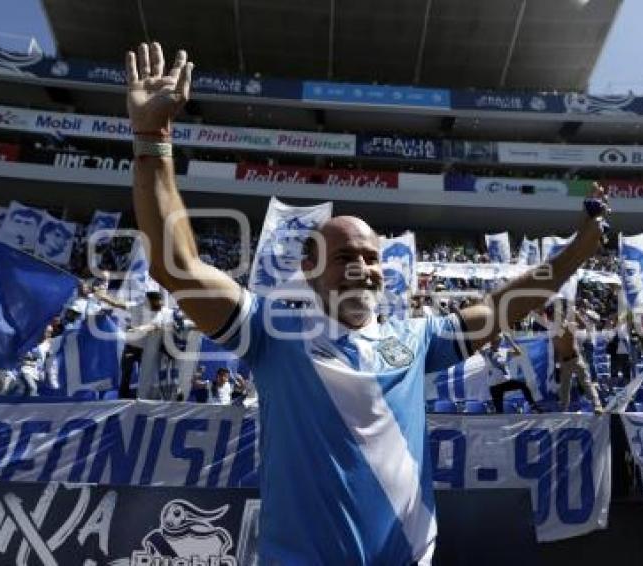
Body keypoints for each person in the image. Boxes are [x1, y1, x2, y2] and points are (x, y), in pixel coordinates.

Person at [125, 41, 609, 564]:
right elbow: (176, 267)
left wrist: (574, 254)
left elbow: (505, 305)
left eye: (371, 256)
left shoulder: (418, 339)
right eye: (345, 256)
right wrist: (153, 138)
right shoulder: (269, 333)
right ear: (309, 272)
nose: (362, 265)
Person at [554, 305, 603, 414]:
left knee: (586, 383)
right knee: (564, 387)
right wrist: (558, 363)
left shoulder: (570, 325)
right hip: (564, 361)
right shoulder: (555, 331)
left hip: (575, 358)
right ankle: (563, 409)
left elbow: (583, 325)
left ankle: (597, 405)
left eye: (559, 315)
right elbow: (557, 348)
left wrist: (575, 313)